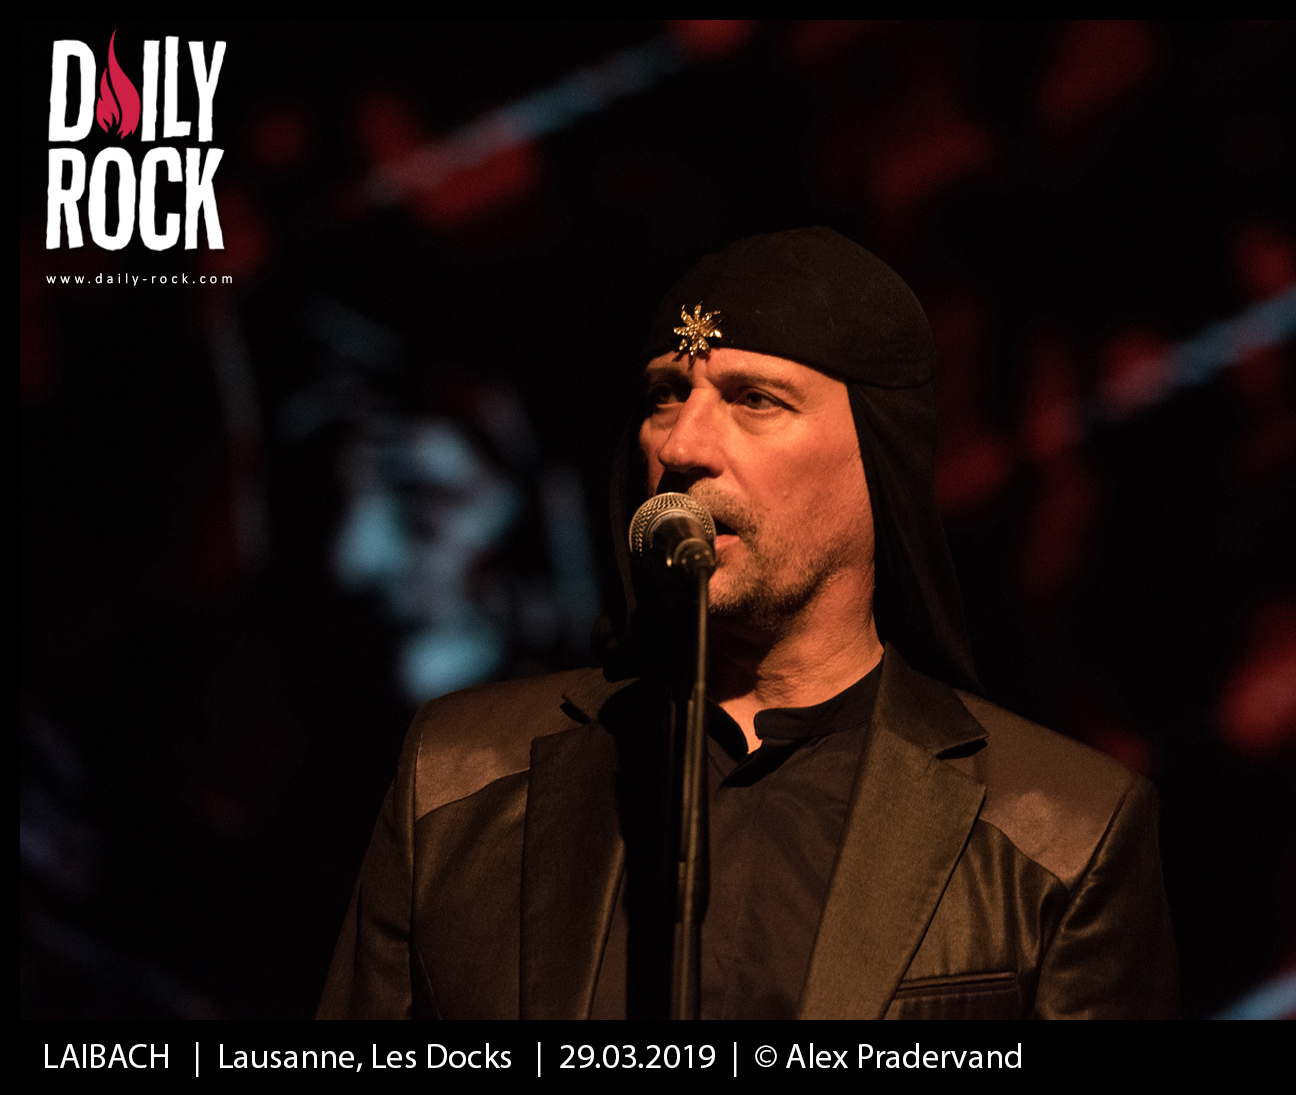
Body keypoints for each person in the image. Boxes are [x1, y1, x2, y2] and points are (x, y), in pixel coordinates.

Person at [318, 227, 1179, 1020]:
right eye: (665, 394)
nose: (682, 445)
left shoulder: (1061, 832)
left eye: (755, 398)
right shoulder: (456, 779)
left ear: (879, 454)